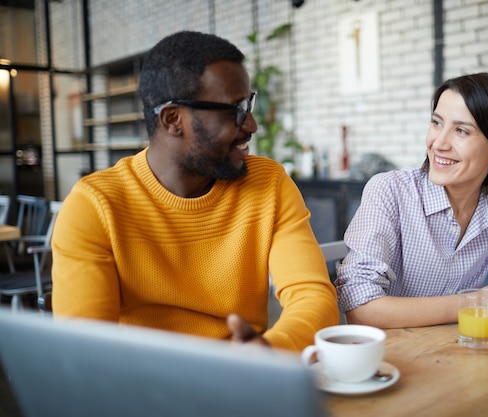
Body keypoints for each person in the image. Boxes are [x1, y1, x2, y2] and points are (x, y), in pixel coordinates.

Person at [51, 31, 338, 351]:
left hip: (244, 379)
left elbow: (313, 296)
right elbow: (84, 348)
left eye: (249, 104)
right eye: (235, 109)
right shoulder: (95, 205)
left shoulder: (267, 183)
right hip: (142, 390)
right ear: (173, 119)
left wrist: (271, 351)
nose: (252, 125)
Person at [335, 72, 488, 328]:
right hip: (393, 356)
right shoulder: (390, 191)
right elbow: (360, 309)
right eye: (436, 123)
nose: (439, 143)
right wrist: (477, 302)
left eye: (461, 131)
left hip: (456, 349)